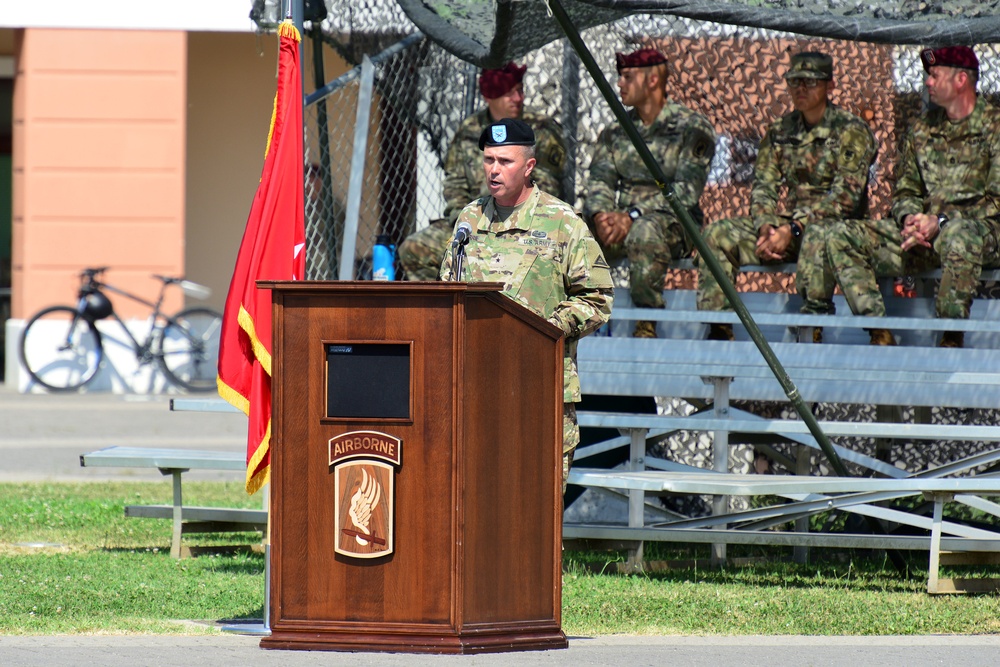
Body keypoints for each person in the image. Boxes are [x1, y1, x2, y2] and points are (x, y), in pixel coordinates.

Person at [440, 118, 614, 487]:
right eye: (489, 160)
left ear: (529, 166)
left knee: (536, 495)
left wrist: (546, 329)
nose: (494, 170)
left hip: (539, 383)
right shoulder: (470, 219)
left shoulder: (562, 223)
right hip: (475, 385)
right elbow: (446, 290)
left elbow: (597, 298)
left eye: (505, 161)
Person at [825, 46, 1000, 347]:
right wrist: (909, 219)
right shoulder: (921, 129)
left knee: (959, 235)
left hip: (981, 233)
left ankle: (950, 338)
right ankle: (879, 333)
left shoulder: (995, 127)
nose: (928, 82)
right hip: (924, 236)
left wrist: (942, 221)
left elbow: (996, 201)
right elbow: (906, 189)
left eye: (934, 75)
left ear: (960, 80)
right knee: (841, 234)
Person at [696, 51, 877, 342]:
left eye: (810, 82)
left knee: (819, 234)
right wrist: (766, 227)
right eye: (794, 82)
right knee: (718, 234)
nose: (800, 90)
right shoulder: (781, 131)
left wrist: (792, 228)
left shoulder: (851, 131)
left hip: (838, 231)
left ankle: (813, 327)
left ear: (829, 86)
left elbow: (846, 198)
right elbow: (764, 187)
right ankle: (719, 327)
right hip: (788, 230)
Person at [584, 47, 716, 338]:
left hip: (674, 223)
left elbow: (686, 190)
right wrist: (601, 216)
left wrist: (632, 215)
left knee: (644, 230)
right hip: (620, 221)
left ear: (653, 80)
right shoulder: (616, 131)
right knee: (573, 230)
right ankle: (585, 315)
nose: (620, 84)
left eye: (628, 77)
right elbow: (600, 180)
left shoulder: (691, 127)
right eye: (620, 77)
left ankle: (647, 323)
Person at [398, 62, 567, 281]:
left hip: (522, 224)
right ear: (490, 97)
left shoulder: (541, 129)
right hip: (474, 222)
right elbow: (455, 184)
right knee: (415, 249)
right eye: (509, 93)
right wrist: (465, 222)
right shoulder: (470, 129)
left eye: (520, 90)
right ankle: (444, 312)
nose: (518, 98)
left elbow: (549, 184)